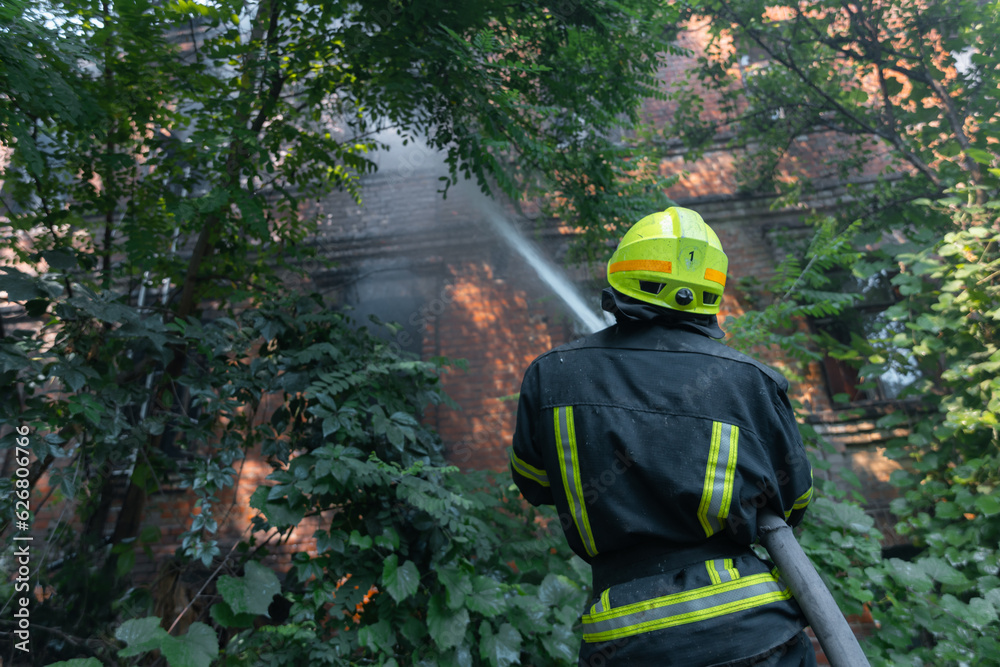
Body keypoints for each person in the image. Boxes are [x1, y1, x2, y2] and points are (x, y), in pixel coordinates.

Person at [509, 206, 816, 666]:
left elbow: (535, 483)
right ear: (711, 291)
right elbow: (794, 502)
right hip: (753, 632)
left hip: (625, 639)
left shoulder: (552, 375)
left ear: (622, 277)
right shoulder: (750, 381)